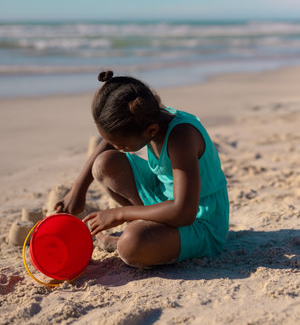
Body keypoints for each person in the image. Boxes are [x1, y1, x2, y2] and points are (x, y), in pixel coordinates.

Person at [55, 70, 229, 268]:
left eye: (122, 145)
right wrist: (78, 189)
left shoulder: (182, 136)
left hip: (199, 220)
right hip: (166, 198)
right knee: (104, 164)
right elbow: (108, 143)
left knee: (131, 245)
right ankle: (147, 225)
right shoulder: (148, 116)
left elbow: (184, 212)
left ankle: (142, 231)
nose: (118, 148)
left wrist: (121, 214)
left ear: (151, 131)